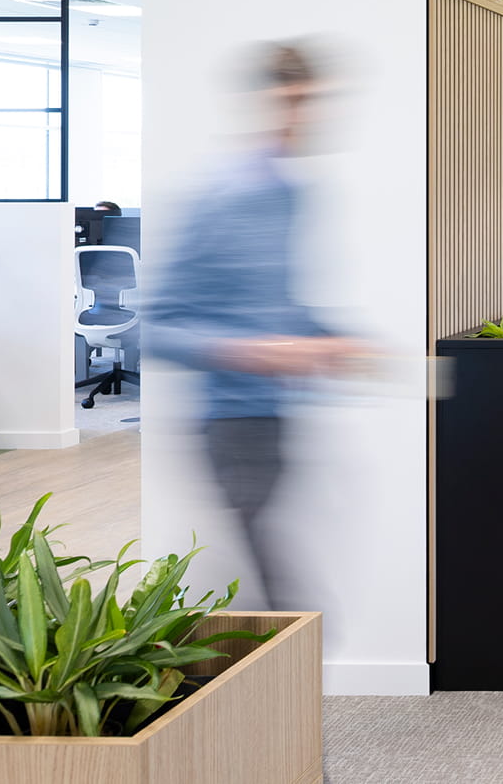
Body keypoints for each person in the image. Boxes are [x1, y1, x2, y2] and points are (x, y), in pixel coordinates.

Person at [152, 42, 356, 611]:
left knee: (283, 601)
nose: (307, 115)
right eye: (294, 100)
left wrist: (331, 337)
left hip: (277, 414)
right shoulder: (220, 197)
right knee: (280, 600)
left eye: (313, 100)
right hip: (231, 422)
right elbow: (158, 326)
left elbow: (280, 306)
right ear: (263, 102)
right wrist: (252, 351)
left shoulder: (290, 195)